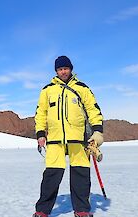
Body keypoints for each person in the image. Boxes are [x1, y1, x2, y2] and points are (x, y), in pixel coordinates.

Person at [33, 56, 104, 217]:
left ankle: (82, 210)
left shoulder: (82, 88)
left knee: (81, 174)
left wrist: (97, 130)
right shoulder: (47, 90)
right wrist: (40, 133)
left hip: (78, 139)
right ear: (56, 71)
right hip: (55, 140)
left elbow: (93, 110)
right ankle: (42, 211)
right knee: (51, 175)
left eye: (65, 68)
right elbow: (40, 113)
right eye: (59, 69)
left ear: (70, 69)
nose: (63, 71)